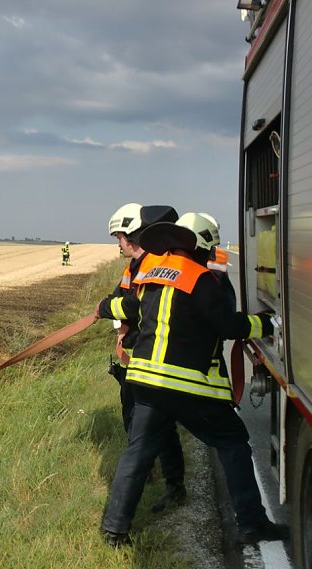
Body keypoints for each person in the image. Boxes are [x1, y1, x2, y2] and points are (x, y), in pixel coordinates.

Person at [96, 213, 288, 547]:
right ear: (201, 245)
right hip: (185, 385)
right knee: (232, 442)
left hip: (143, 381)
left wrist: (102, 306)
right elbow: (229, 326)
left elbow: (128, 306)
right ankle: (252, 524)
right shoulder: (200, 278)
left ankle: (114, 530)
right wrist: (266, 324)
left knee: (137, 453)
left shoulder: (153, 274)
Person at [106, 203, 187, 514]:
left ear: (132, 235)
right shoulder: (134, 267)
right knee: (148, 423)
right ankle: (167, 482)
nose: (118, 243)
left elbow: (129, 305)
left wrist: (109, 311)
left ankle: (125, 515)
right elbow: (120, 299)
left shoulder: (155, 265)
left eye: (119, 237)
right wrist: (119, 327)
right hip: (135, 358)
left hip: (153, 362)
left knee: (151, 429)